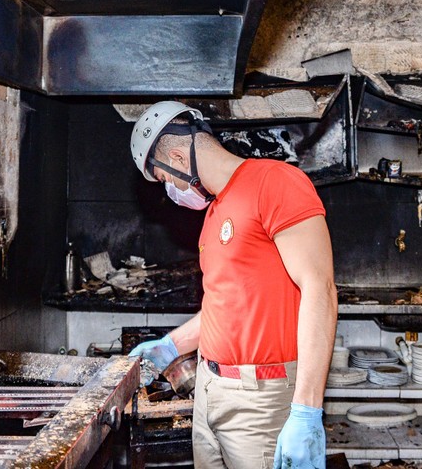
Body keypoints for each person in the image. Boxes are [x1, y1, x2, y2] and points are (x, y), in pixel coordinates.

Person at [128, 101, 338, 469]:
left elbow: (320, 290)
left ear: (178, 157)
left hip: (260, 400)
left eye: (164, 180)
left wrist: (307, 410)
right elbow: (225, 303)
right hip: (209, 393)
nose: (171, 192)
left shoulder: (275, 182)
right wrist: (171, 346)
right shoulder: (213, 213)